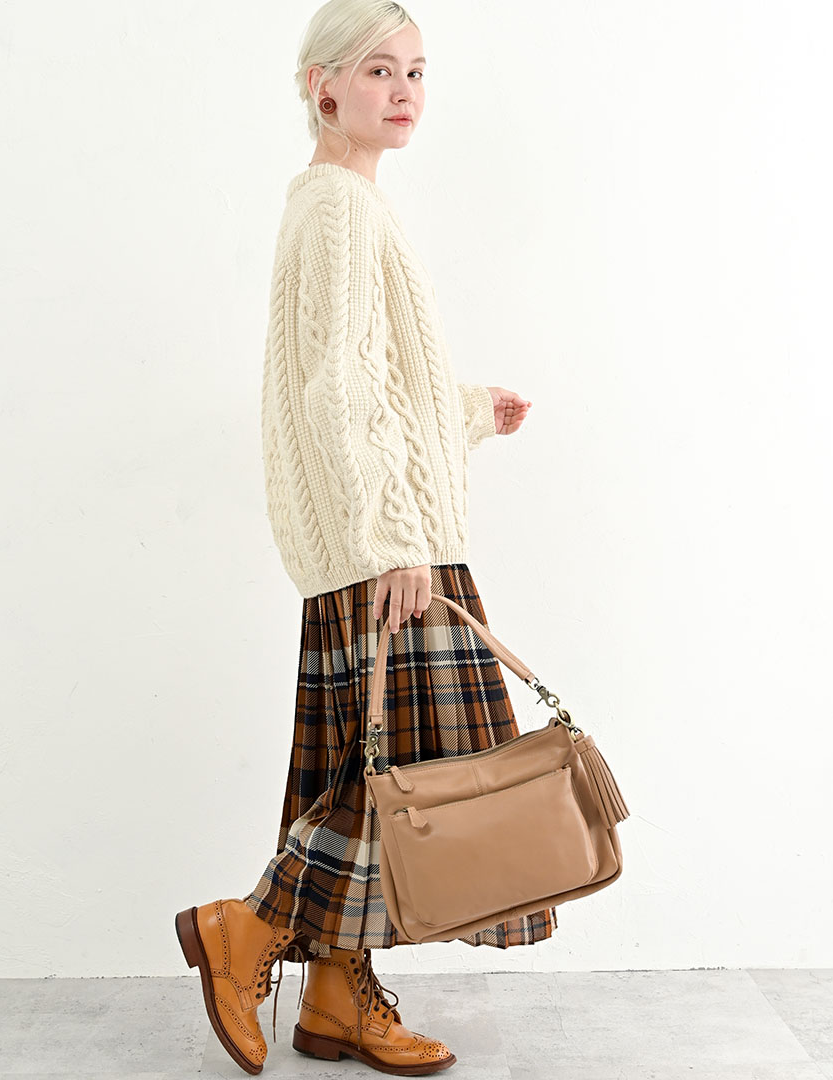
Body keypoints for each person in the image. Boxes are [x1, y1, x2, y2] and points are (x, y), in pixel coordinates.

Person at [174, 1, 554, 1073]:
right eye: (379, 70)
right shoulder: (341, 208)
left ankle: (337, 995)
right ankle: (244, 929)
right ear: (323, 87)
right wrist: (394, 537)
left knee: (369, 764)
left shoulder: (340, 203)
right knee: (408, 784)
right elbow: (336, 384)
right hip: (386, 543)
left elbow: (371, 381)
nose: (404, 91)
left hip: (373, 537)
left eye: (417, 71)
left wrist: (468, 411)